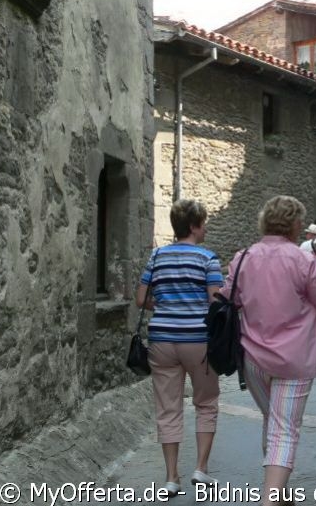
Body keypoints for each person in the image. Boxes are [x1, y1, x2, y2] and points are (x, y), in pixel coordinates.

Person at [221, 196, 316, 505]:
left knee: (273, 421)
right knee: (284, 429)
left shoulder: (243, 257)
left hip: (253, 359)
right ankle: (270, 499)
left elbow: (226, 297)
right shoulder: (303, 261)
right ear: (296, 224)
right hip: (293, 360)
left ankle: (281, 495)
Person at [136, 199, 223, 497]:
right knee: (206, 403)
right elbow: (216, 302)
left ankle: (172, 477)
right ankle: (200, 468)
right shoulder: (208, 259)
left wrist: (164, 304)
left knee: (168, 408)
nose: (206, 227)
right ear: (195, 226)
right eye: (204, 222)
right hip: (198, 340)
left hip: (161, 340)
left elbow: (140, 299)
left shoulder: (156, 257)